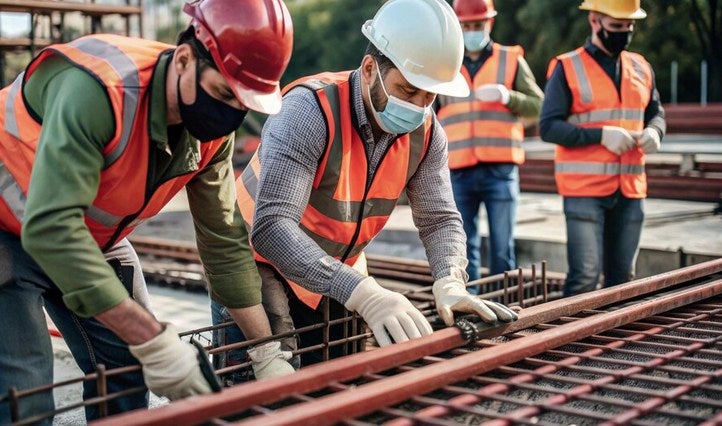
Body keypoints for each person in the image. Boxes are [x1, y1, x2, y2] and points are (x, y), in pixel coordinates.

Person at [0, 0, 295, 423]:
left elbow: (223, 240)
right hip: (9, 231)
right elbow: (52, 228)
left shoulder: (211, 132)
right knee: (25, 394)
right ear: (184, 59)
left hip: (91, 238)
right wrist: (154, 339)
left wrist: (265, 350)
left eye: (243, 102)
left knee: (128, 366)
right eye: (222, 93)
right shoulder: (101, 92)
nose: (230, 112)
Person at [236, 0, 518, 367]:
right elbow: (273, 229)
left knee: (344, 375)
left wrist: (450, 280)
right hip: (258, 261)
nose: (418, 107)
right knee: (272, 387)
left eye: (429, 96)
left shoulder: (428, 134)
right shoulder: (309, 111)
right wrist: (365, 294)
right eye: (407, 90)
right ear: (370, 69)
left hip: (335, 262)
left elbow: (440, 220)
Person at [539, 0, 665, 297]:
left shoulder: (641, 67)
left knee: (623, 280)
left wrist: (656, 130)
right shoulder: (567, 67)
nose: (624, 32)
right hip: (584, 191)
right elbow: (548, 127)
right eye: (617, 26)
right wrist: (601, 135)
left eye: (629, 26)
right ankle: (571, 342)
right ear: (595, 21)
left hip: (630, 189)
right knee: (585, 277)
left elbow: (655, 112)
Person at [436, 0, 544, 289]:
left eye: (477, 25)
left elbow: (538, 106)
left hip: (500, 170)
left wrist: (508, 97)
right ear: (458, 27)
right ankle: (469, 304)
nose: (472, 30)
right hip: (457, 171)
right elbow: (428, 115)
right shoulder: (445, 66)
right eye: (467, 26)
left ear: (490, 24)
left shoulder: (510, 60)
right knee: (462, 248)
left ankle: (504, 305)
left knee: (501, 248)